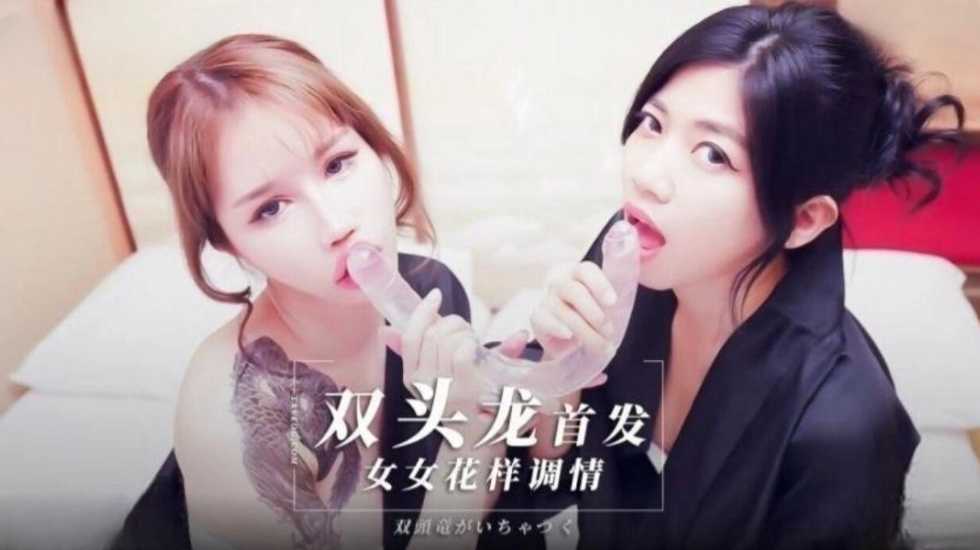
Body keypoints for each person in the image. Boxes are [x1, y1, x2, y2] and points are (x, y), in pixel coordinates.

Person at [523, 3, 965, 549]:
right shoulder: (630, 254)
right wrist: (559, 378)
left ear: (804, 220)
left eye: (713, 154)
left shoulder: (842, 424)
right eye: (653, 123)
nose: (648, 175)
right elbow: (558, 471)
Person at [111, 33, 512, 550]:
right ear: (226, 241)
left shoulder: (428, 290)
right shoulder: (228, 418)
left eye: (338, 164)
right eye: (271, 209)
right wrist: (469, 440)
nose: (336, 225)